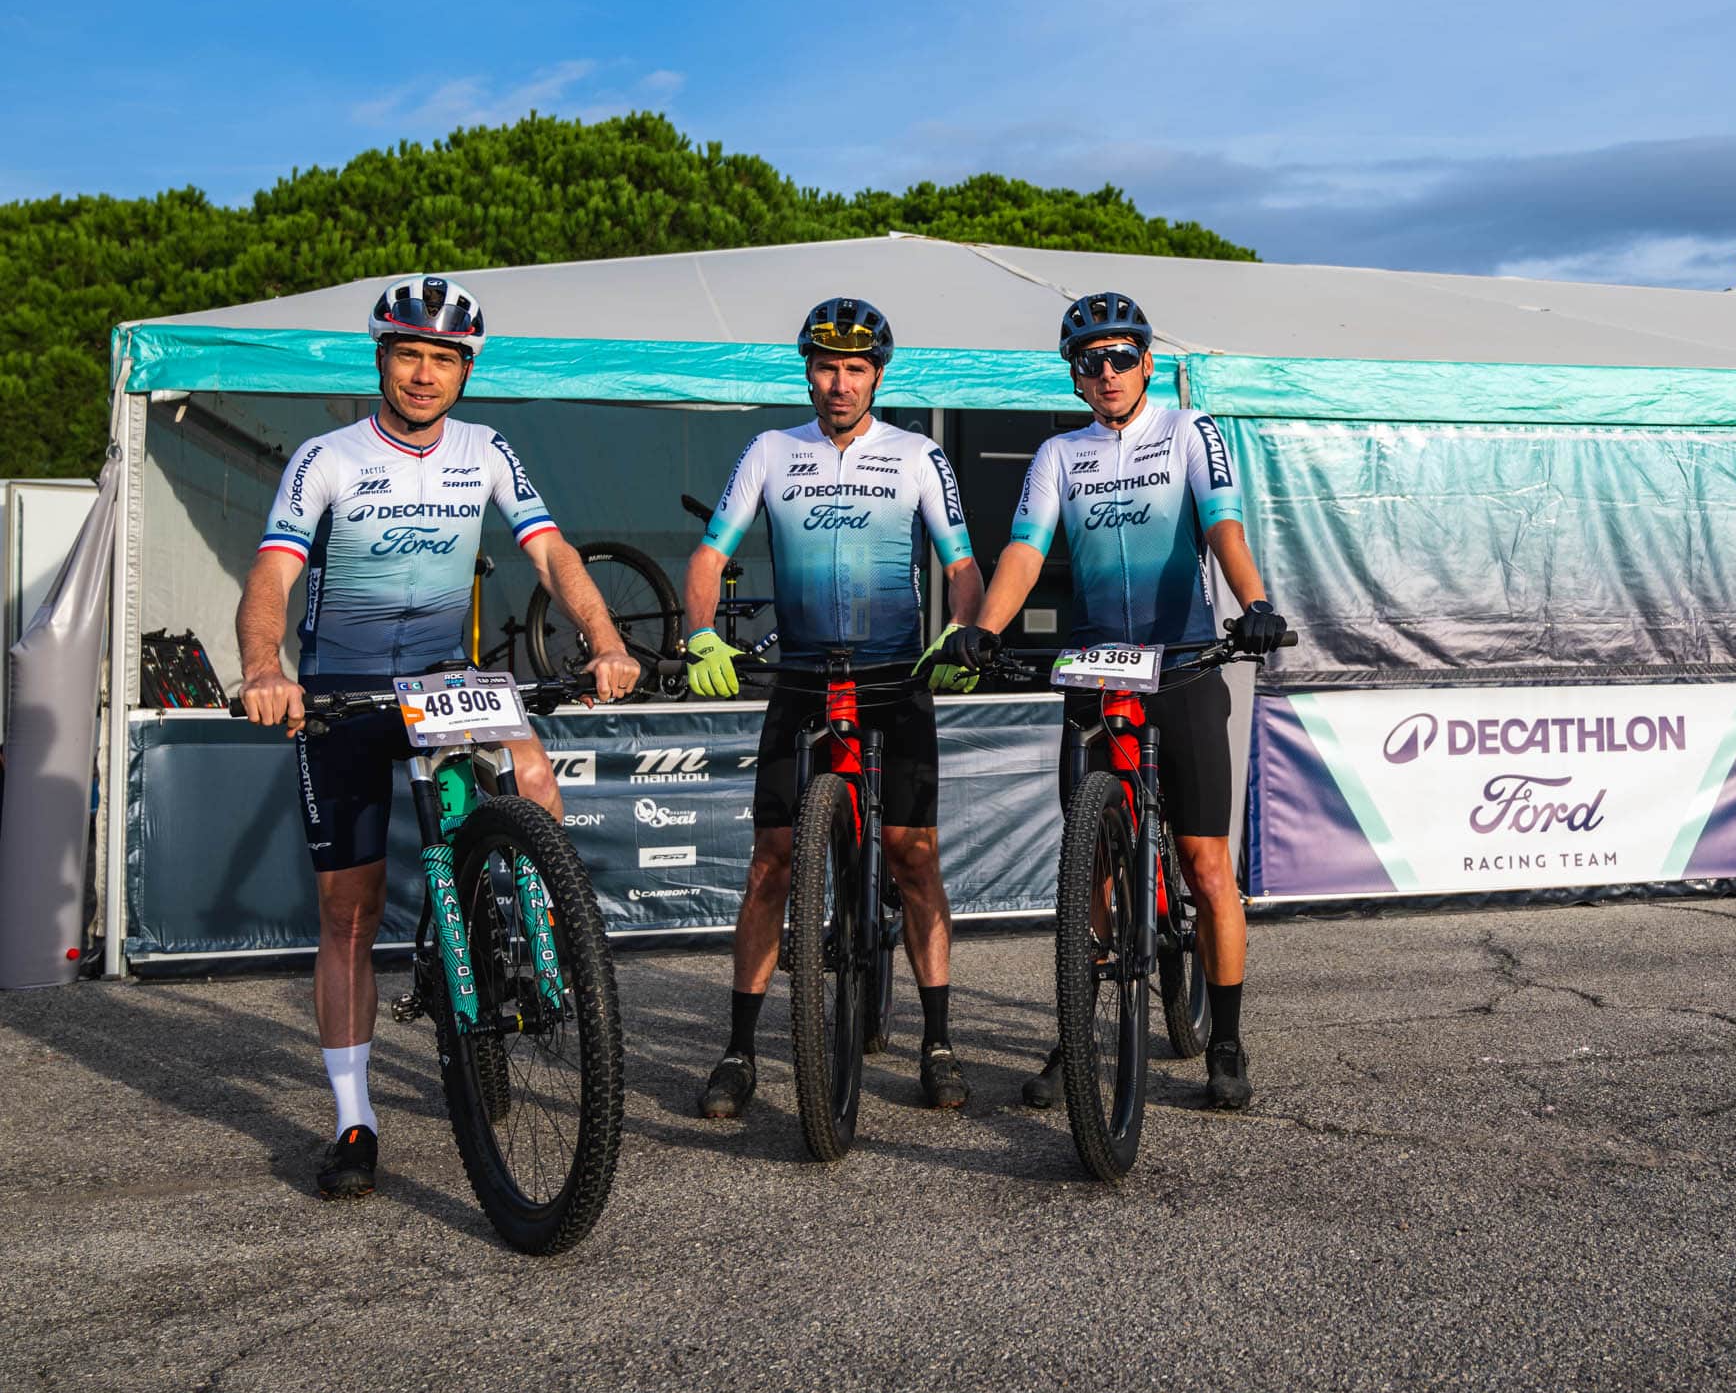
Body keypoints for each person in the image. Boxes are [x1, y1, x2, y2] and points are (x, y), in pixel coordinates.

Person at [235, 274, 640, 1200]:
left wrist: (608, 639)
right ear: (382, 359)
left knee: (533, 770)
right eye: (409, 354)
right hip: (341, 689)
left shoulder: (486, 449)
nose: (424, 374)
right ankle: (352, 1118)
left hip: (442, 683)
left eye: (444, 359)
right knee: (351, 911)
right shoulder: (327, 456)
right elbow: (272, 572)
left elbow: (551, 550)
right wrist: (266, 667)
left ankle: (537, 935)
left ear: (466, 370)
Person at [938, 292, 1288, 1110]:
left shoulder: (1189, 431)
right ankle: (1078, 1027)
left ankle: (1226, 1041)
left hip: (1185, 660)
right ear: (1073, 376)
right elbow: (1025, 549)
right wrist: (984, 629)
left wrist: (1257, 604)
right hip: (1098, 666)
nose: (1105, 373)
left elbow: (1223, 523)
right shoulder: (1059, 454)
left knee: (1205, 866)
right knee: (1088, 863)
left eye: (1120, 356)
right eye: (1088, 361)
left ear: (1148, 364)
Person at [681, 297, 986, 1116]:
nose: (839, 382)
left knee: (913, 854)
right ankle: (740, 1049)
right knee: (770, 862)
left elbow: (961, 561)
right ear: (807, 370)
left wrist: (962, 631)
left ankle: (939, 1040)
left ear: (877, 374)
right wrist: (699, 633)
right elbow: (710, 552)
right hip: (804, 677)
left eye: (855, 368)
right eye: (825, 365)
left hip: (895, 676)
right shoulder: (771, 450)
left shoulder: (919, 454)